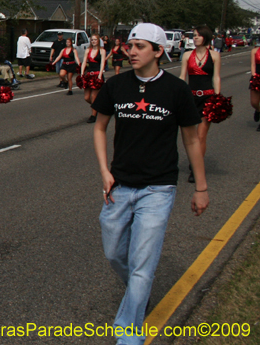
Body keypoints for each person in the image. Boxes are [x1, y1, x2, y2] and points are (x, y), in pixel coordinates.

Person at [92, 23, 208, 345]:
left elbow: (192, 141)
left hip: (158, 188)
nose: (131, 51)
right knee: (115, 252)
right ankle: (138, 293)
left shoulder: (176, 90)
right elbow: (100, 128)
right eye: (130, 45)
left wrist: (201, 187)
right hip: (120, 185)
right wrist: (104, 170)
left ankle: (128, 332)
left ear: (158, 51)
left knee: (143, 264)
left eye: (140, 46)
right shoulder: (116, 86)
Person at [179, 25, 221, 183]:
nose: (194, 38)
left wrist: (217, 97)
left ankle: (195, 167)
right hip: (191, 98)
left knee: (201, 135)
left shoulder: (215, 55)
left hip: (208, 98)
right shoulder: (187, 55)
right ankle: (194, 159)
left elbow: (216, 77)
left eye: (198, 35)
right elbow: (182, 77)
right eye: (193, 35)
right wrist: (179, 95)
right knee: (190, 136)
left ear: (205, 37)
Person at [80, 34, 107, 123]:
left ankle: (93, 115)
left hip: (97, 74)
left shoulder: (102, 51)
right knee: (87, 98)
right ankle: (98, 107)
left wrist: (100, 74)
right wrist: (82, 73)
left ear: (98, 41)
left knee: (93, 96)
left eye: (95, 40)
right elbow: (84, 62)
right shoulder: (88, 50)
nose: (94, 41)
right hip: (89, 74)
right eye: (92, 40)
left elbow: (103, 63)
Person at [251, 41, 260, 130]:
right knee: (254, 102)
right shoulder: (255, 51)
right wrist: (254, 76)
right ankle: (258, 110)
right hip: (257, 77)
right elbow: (253, 64)